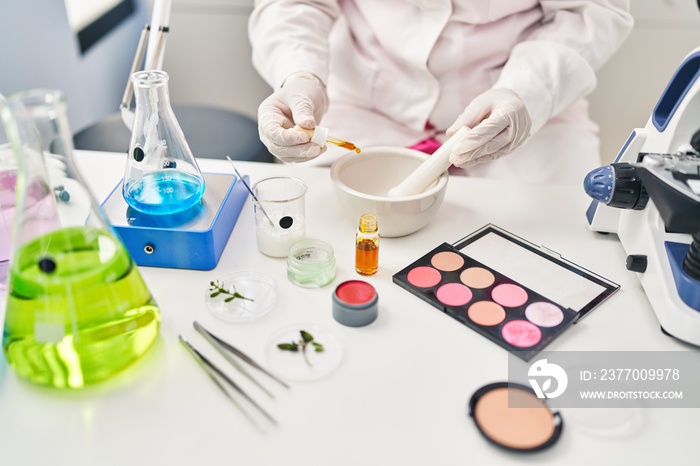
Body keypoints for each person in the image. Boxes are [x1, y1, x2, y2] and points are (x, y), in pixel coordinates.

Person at [249, 1, 634, 184]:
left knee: (558, 244)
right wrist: (299, 75)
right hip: (364, 100)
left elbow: (592, 11)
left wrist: (525, 92)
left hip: (522, 101)